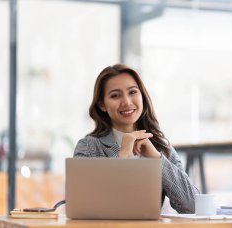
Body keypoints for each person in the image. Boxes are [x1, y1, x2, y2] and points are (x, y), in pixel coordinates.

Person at [74, 64, 199, 214]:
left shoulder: (161, 146)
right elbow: (84, 207)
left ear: (142, 96)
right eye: (115, 95)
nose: (126, 102)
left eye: (132, 92)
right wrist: (122, 156)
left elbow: (193, 206)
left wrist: (157, 158)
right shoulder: (89, 146)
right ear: (102, 105)